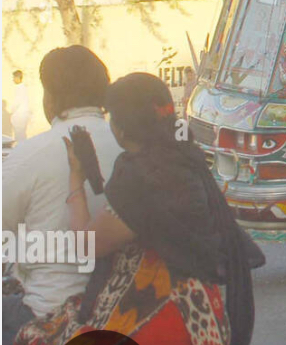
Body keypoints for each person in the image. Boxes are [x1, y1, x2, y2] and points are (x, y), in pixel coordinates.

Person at [16, 73, 265, 345]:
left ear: (122, 129)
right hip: (202, 311)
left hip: (154, 313)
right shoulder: (184, 157)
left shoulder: (140, 175)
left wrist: (76, 177)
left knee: (35, 335)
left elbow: (88, 245)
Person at [2, 47, 121, 345]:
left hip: (48, 312)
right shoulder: (128, 147)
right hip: (120, 307)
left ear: (51, 97)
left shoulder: (30, 155)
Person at [9, 70, 29, 142]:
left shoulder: (20, 88)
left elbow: (17, 102)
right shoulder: (22, 88)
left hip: (20, 115)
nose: (13, 79)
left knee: (19, 135)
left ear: (18, 77)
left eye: (14, 77)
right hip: (21, 115)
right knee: (20, 135)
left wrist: (11, 112)